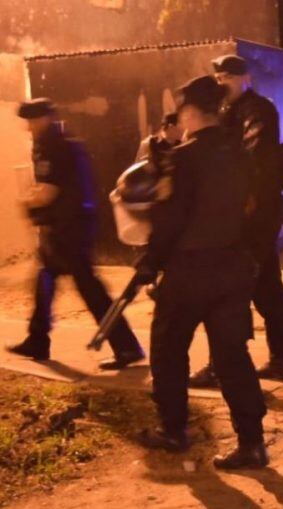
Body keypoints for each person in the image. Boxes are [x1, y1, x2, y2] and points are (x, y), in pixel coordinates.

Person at [137, 75, 269, 469]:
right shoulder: (241, 154)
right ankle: (252, 443)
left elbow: (171, 220)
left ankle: (173, 429)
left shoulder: (185, 158)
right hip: (232, 267)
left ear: (191, 113)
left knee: (168, 348)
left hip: (189, 270)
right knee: (232, 357)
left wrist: (150, 262)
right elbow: (256, 211)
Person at [6, 99, 145, 370]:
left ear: (44, 119)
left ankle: (126, 347)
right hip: (68, 227)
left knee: (88, 288)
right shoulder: (62, 143)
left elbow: (48, 191)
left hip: (68, 230)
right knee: (46, 280)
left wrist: (26, 203)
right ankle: (38, 338)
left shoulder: (53, 146)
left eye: (32, 121)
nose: (29, 128)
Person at [189, 54, 283, 387]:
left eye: (228, 78)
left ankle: (226, 365)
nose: (222, 83)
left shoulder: (257, 110)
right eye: (218, 77)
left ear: (246, 78)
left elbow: (255, 156)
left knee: (232, 289)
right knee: (265, 287)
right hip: (240, 211)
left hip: (254, 211)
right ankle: (279, 360)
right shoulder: (224, 112)